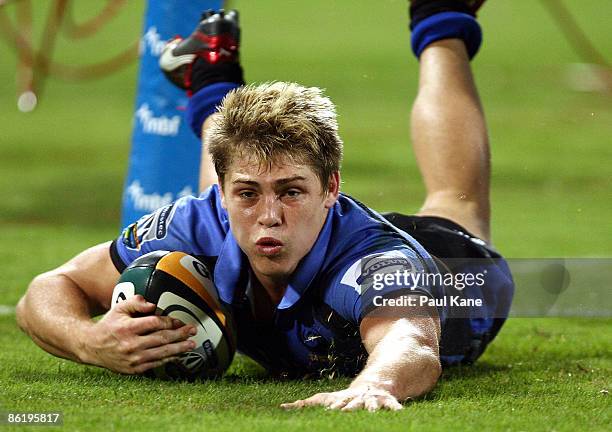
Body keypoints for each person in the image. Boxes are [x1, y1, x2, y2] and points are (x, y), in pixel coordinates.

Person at [16, 1, 513, 412]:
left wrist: (376, 384)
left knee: (455, 202)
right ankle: (213, 71)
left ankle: (439, 19)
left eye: (293, 191)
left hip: (446, 262)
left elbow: (411, 343)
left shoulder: (378, 265)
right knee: (242, 171)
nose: (269, 214)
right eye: (247, 195)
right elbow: (47, 290)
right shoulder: (200, 217)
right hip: (285, 219)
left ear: (331, 185)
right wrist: (89, 340)